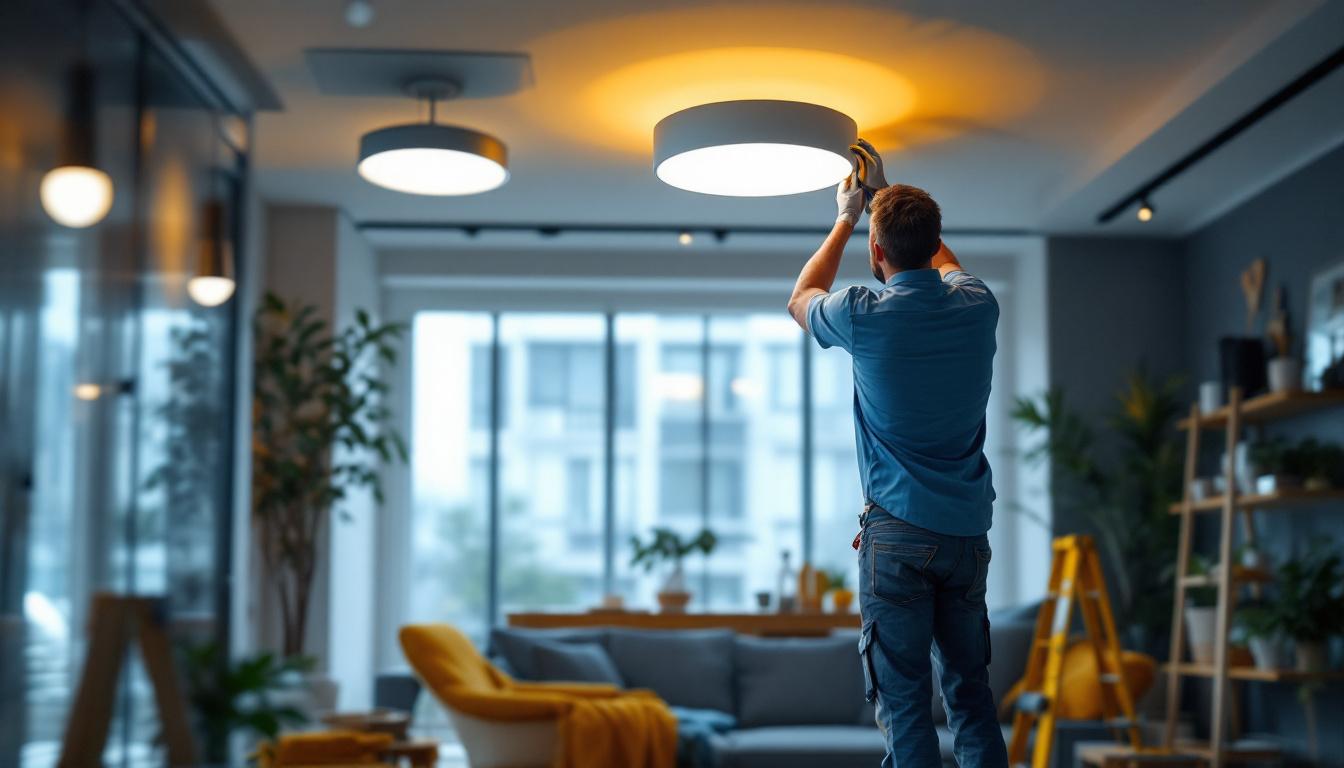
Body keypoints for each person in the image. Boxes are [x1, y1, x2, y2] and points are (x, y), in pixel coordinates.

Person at [786, 140, 1006, 768]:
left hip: (898, 535)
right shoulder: (977, 306)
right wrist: (887, 197)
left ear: (877, 253)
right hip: (966, 534)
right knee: (970, 695)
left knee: (905, 699)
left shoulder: (862, 314)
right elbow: (950, 267)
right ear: (935, 238)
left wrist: (847, 215)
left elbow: (800, 297)